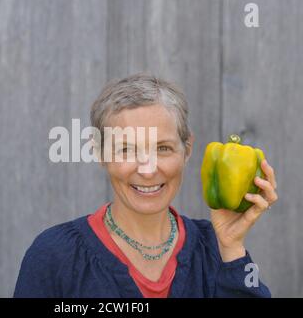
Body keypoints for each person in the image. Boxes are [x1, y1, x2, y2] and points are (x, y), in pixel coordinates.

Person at [14, 73, 277, 298]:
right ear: (100, 153)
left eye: (163, 148)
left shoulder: (216, 248)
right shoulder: (54, 256)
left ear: (187, 149)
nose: (148, 170)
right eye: (127, 149)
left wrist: (231, 247)